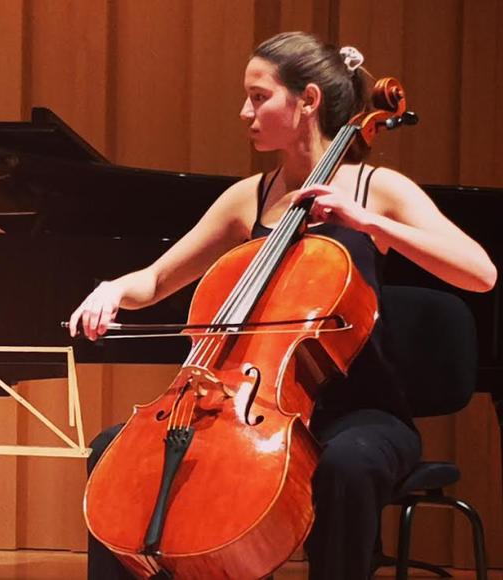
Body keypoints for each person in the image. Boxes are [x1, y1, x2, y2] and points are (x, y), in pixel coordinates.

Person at [68, 32, 496, 580]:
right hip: (246, 406)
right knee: (112, 452)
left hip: (360, 413)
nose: (245, 111)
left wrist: (369, 223)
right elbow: (155, 280)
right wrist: (113, 290)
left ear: (308, 100)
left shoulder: (375, 189)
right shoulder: (247, 197)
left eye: (259, 96)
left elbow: (480, 273)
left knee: (347, 464)